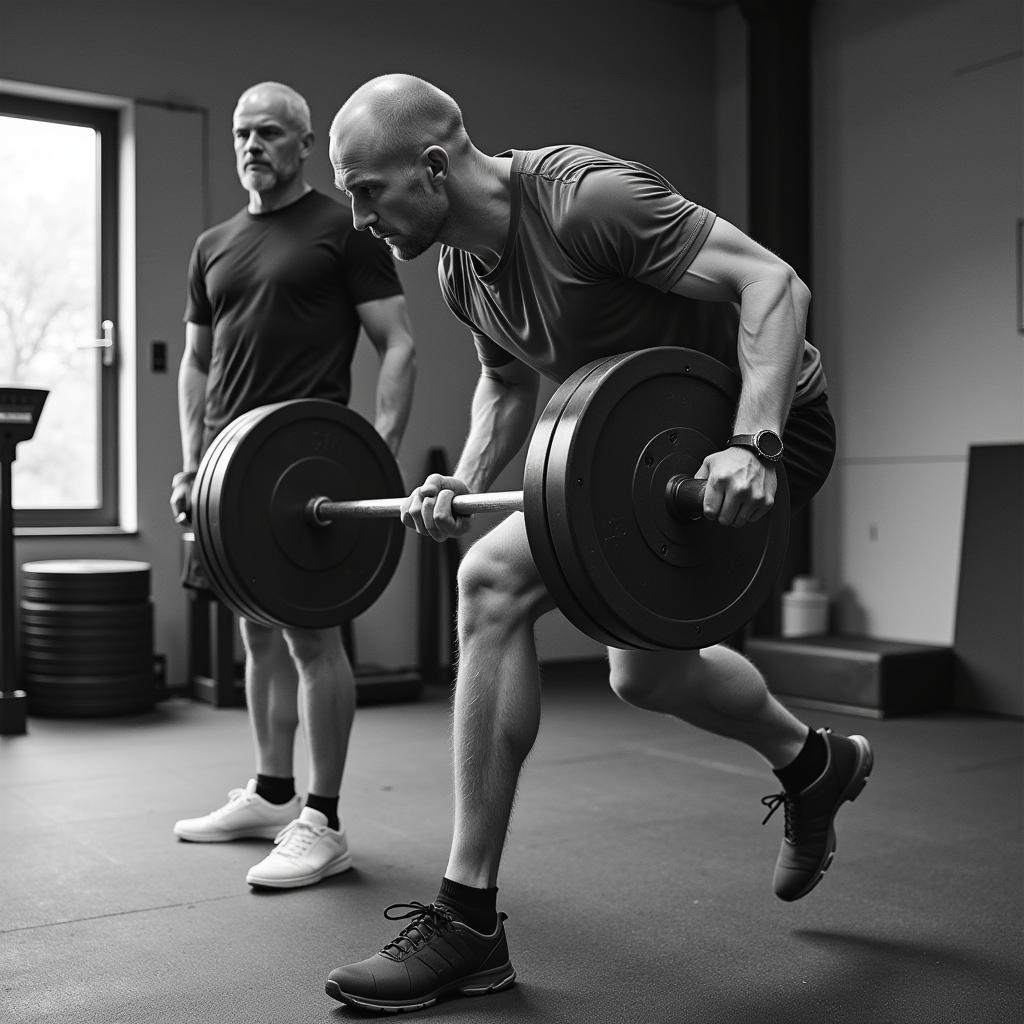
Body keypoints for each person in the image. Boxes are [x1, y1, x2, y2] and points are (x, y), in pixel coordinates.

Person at [323, 73, 872, 1011]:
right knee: (646, 675)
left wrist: (754, 443)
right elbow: (505, 383)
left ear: (431, 165)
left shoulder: (586, 202)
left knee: (490, 582)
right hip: (633, 455)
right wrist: (468, 478)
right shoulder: (461, 267)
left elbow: (772, 282)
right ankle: (815, 764)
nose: (360, 215)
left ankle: (467, 923)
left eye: (366, 189)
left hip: (762, 425)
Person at [169, 81, 416, 890]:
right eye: (242, 133)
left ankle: (323, 819)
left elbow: (399, 344)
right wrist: (191, 462)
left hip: (306, 468)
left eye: (270, 132)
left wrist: (376, 455)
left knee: (315, 637)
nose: (252, 145)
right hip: (228, 474)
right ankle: (272, 791)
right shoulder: (212, 244)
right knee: (253, 630)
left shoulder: (344, 228)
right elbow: (198, 364)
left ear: (304, 144)